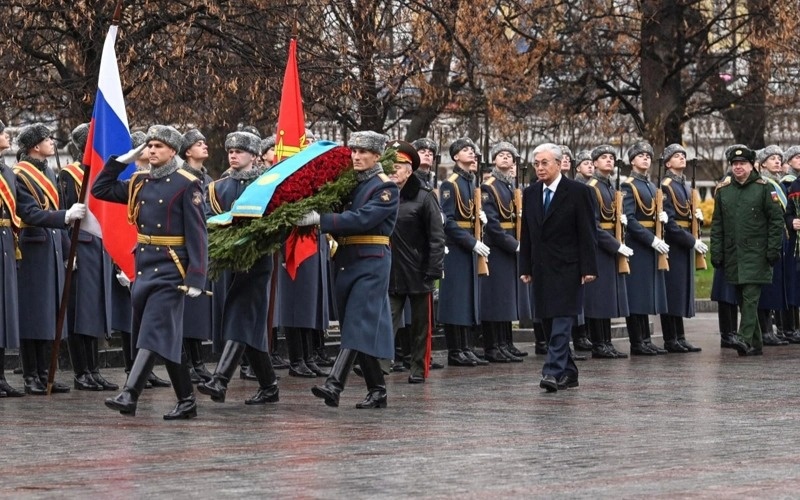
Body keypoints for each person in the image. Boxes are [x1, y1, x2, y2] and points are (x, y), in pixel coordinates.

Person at [93, 124, 207, 419]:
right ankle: (187, 401)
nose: (152, 150)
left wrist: (196, 275)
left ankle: (130, 394)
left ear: (172, 151)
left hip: (171, 268)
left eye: (158, 146)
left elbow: (198, 233)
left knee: (152, 330)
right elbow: (99, 189)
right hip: (144, 267)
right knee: (166, 335)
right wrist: (121, 161)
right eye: (150, 146)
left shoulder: (187, 183)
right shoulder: (139, 181)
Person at [299, 130, 398, 408]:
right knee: (356, 326)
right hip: (346, 260)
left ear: (377, 156)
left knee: (356, 323)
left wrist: (322, 219)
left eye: (363, 152)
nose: (356, 156)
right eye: (354, 151)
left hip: (371, 261)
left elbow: (362, 218)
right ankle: (378, 391)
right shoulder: (349, 183)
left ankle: (334, 385)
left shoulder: (385, 187)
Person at [198, 131, 280, 405]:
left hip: (256, 262)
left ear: (254, 156)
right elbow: (208, 218)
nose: (233, 155)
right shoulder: (217, 187)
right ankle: (269, 386)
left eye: (240, 151)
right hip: (228, 262)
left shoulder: (267, 183)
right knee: (248, 323)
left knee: (240, 316)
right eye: (231, 151)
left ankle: (220, 380)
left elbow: (276, 221)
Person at [14, 123, 85, 395]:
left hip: (53, 246)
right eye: (47, 139)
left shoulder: (49, 171)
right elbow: (30, 213)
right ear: (35, 146)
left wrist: (68, 251)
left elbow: (56, 210)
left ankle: (44, 373)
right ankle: (30, 375)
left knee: (50, 313)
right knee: (33, 313)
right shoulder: (20, 174)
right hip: (33, 248)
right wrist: (65, 216)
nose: (52, 143)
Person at [519, 143, 597, 392]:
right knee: (548, 322)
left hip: (569, 267)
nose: (540, 168)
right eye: (536, 164)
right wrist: (525, 265)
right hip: (541, 267)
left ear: (559, 163)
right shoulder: (531, 193)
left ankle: (551, 371)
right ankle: (569, 373)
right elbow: (527, 232)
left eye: (545, 163)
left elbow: (587, 232)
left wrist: (588, 267)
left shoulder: (578, 192)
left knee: (562, 321)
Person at [711, 146, 784, 356]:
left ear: (752, 165)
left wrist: (773, 249)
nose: (738, 167)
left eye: (742, 163)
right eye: (735, 164)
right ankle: (756, 343)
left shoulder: (764, 188)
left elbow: (776, 221)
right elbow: (717, 225)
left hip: (757, 254)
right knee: (743, 300)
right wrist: (716, 252)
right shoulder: (724, 191)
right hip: (733, 254)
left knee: (751, 297)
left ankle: (743, 339)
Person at [60, 123, 117, 391]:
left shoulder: (99, 175)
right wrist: (67, 252)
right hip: (80, 247)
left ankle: (94, 370)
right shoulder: (69, 174)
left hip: (99, 246)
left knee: (94, 311)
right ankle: (81, 372)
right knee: (78, 313)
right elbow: (65, 214)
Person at [386, 140, 444, 383]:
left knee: (421, 326)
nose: (393, 169)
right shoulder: (382, 195)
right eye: (390, 164)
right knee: (387, 321)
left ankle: (418, 369)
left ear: (409, 170)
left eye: (399, 165)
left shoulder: (424, 197)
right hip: (391, 271)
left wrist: (434, 269)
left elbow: (436, 236)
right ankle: (381, 365)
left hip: (418, 270)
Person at [438, 137, 489, 367]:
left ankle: (466, 347)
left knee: (468, 298)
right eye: (466, 150)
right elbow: (448, 221)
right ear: (456, 156)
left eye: (473, 150)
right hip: (458, 248)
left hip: (469, 246)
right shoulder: (451, 184)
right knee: (456, 299)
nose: (472, 153)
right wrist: (471, 242)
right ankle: (455, 350)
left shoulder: (471, 182)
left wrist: (481, 220)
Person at [620, 141, 668, 355]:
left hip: (649, 245)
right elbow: (630, 219)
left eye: (648, 156)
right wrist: (651, 240)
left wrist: (661, 219)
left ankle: (646, 340)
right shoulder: (628, 185)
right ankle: (637, 342)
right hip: (638, 245)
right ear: (632, 161)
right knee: (636, 294)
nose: (646, 158)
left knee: (646, 293)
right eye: (641, 156)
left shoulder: (650, 185)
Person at [479, 141, 525, 362]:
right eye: (501, 155)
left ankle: (504, 343)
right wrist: (513, 244)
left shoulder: (508, 185)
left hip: (508, 245)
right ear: (494, 160)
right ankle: (493, 346)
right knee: (495, 297)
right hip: (497, 247)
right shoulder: (489, 186)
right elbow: (493, 224)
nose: (506, 157)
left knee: (506, 297)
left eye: (510, 155)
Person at [659, 144, 707, 352]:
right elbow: (670, 223)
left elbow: (687, 216)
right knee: (672, 291)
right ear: (667, 163)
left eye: (683, 155)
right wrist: (691, 241)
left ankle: (680, 336)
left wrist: (698, 221)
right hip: (675, 244)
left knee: (680, 291)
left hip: (684, 242)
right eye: (676, 156)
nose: (681, 158)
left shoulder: (685, 186)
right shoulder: (666, 186)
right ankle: (671, 338)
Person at [584, 145, 630, 359]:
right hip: (598, 248)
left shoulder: (610, 187)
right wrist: (615, 245)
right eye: (604, 157)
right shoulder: (591, 188)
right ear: (594, 163)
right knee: (598, 297)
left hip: (610, 245)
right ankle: (598, 343)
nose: (609, 160)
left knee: (607, 297)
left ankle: (606, 342)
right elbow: (592, 226)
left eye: (611, 157)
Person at [178, 129, 215, 382]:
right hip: (184, 249)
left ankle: (198, 362)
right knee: (185, 312)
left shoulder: (207, 179)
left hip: (202, 246)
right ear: (187, 151)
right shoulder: (181, 177)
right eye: (198, 143)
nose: (204, 146)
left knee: (198, 311)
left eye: (204, 142)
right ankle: (187, 363)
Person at [755, 145, 792, 346]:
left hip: (779, 238)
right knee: (767, 287)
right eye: (772, 159)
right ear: (762, 164)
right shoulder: (762, 184)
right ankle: (765, 331)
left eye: (779, 158)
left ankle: (772, 330)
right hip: (767, 240)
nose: (777, 161)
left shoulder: (777, 184)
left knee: (776, 284)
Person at [0, 121, 23, 397]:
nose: (6, 136)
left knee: (3, 312)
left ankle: (2, 377)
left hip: (6, 241)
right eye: (2, 132)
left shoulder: (6, 170)